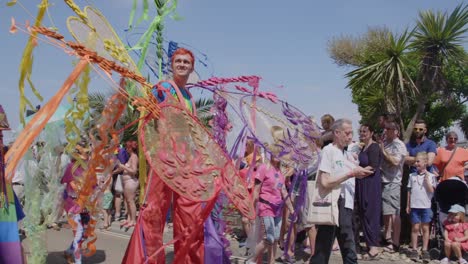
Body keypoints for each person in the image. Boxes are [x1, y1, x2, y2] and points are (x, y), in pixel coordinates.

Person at [123, 48, 204, 264]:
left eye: (186, 62)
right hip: (166, 158)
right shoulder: (164, 88)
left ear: (192, 67)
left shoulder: (189, 96)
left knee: (189, 213)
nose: (182, 64)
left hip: (185, 160)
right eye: (178, 61)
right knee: (153, 210)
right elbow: (151, 113)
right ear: (171, 64)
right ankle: (146, 259)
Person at [309, 118, 373, 264]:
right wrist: (351, 174)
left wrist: (359, 171)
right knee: (328, 244)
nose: (350, 137)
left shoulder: (344, 153)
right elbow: (325, 181)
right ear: (336, 133)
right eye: (347, 133)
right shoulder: (328, 151)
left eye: (351, 133)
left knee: (345, 241)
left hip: (345, 203)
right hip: (334, 202)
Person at [248, 145, 294, 264]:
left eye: (280, 153)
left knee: (276, 238)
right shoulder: (264, 168)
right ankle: (251, 260)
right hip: (265, 207)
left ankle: (271, 261)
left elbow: (283, 191)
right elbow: (256, 190)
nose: (277, 155)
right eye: (275, 153)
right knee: (269, 237)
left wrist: (292, 209)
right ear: (271, 154)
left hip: (277, 209)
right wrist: (251, 208)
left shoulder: (280, 172)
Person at [62, 142, 92, 264]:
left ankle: (69, 251)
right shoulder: (71, 167)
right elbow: (73, 185)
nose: (87, 155)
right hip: (73, 204)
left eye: (88, 153)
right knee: (79, 235)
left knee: (85, 233)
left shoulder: (88, 168)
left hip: (85, 205)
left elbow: (92, 186)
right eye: (85, 152)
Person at [356, 124, 383, 259]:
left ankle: (374, 247)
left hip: (371, 184)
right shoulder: (362, 148)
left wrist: (357, 172)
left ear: (371, 133)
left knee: (371, 212)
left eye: (365, 131)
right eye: (360, 131)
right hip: (362, 182)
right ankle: (368, 244)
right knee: (363, 212)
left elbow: (373, 167)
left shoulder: (374, 147)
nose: (362, 133)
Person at [380, 121, 407, 252]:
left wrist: (382, 151)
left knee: (395, 213)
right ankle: (387, 237)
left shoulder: (399, 145)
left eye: (390, 129)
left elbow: (395, 162)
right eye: (386, 128)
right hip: (383, 180)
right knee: (386, 212)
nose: (387, 131)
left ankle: (395, 242)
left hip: (393, 182)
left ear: (396, 131)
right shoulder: (385, 143)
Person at [406, 152, 437, 261]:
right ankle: (414, 249)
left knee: (425, 228)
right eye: (415, 161)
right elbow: (409, 191)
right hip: (415, 205)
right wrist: (407, 204)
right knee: (415, 227)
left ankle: (424, 249)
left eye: (418, 161)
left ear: (425, 162)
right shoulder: (411, 176)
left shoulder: (431, 176)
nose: (416, 163)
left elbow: (432, 191)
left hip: (426, 206)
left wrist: (427, 181)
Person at [116, 140, 138, 229]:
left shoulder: (134, 157)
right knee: (128, 201)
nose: (126, 149)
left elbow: (134, 171)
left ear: (130, 148)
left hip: (131, 181)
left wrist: (123, 166)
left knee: (130, 201)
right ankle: (129, 219)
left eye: (127, 147)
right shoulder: (131, 157)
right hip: (126, 182)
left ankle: (133, 220)